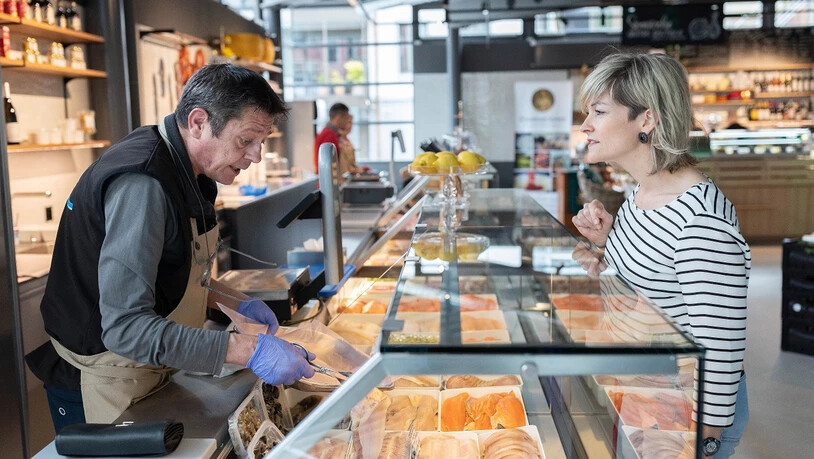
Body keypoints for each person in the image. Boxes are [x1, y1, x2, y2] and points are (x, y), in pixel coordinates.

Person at [25, 64, 315, 431]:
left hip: (151, 365)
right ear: (197, 122)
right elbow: (126, 328)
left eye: (262, 142)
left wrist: (237, 301)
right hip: (107, 375)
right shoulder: (142, 184)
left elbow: (180, 270)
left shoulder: (190, 169)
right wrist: (248, 350)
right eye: (246, 141)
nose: (256, 156)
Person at [572, 52, 751, 458]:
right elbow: (656, 290)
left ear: (647, 121)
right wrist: (606, 250)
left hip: (679, 412)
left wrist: (702, 441)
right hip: (641, 390)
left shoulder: (701, 222)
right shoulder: (639, 194)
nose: (586, 125)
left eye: (599, 111)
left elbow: (719, 352)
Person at [313, 102, 368, 179]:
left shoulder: (331, 134)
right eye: (346, 119)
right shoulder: (329, 136)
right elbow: (329, 167)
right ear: (338, 118)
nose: (346, 123)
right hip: (329, 184)